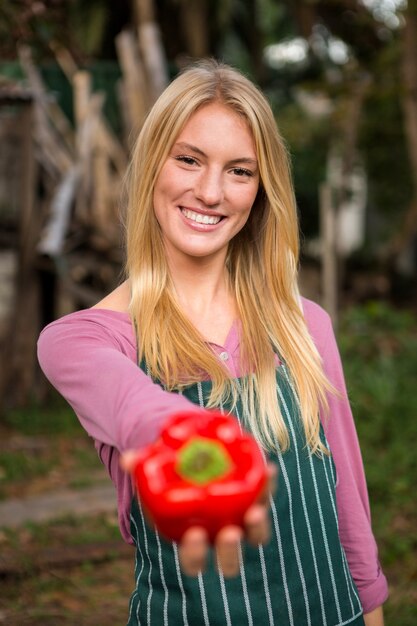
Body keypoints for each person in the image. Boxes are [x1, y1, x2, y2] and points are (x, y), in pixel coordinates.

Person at [37, 59, 388, 626]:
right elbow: (135, 409)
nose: (210, 192)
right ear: (154, 163)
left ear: (260, 191)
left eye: (240, 171)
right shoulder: (83, 340)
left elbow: (346, 496)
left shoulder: (304, 324)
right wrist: (192, 437)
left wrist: (370, 609)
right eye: (189, 159)